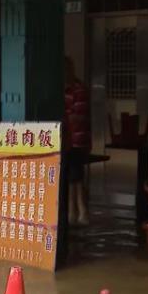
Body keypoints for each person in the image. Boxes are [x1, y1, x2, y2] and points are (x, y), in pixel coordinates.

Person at [63, 57, 90, 226]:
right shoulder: (63, 91)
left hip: (77, 140)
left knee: (75, 176)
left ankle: (80, 211)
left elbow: (78, 116)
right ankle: (75, 212)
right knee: (72, 177)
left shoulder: (79, 90)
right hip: (66, 140)